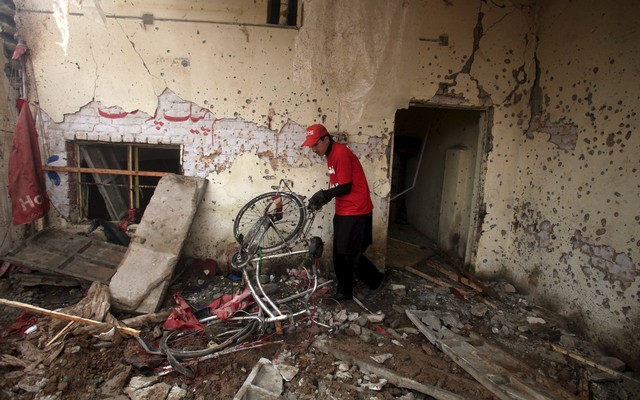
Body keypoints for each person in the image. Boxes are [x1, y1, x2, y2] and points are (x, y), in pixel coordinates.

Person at [301, 123, 386, 301]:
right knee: (339, 253)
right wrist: (325, 198)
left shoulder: (340, 153)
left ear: (326, 139)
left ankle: (376, 281)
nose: (313, 149)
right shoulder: (330, 154)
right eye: (311, 146)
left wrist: (324, 194)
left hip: (356, 209)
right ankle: (344, 291)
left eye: (315, 144)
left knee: (350, 253)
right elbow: (339, 185)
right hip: (345, 208)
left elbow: (346, 187)